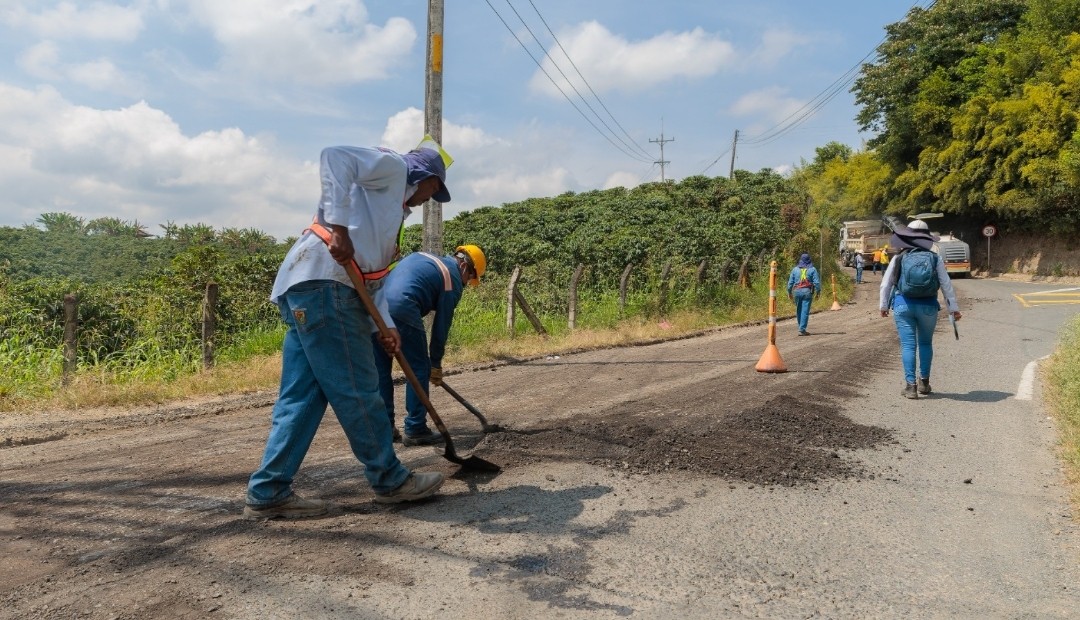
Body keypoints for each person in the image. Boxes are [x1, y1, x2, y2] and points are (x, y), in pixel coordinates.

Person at [244, 142, 453, 519]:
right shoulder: (394, 168)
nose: (430, 200)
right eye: (434, 191)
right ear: (428, 178)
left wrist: (386, 326)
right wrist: (338, 230)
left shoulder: (388, 211)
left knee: (302, 398)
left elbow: (371, 279)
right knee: (359, 389)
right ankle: (390, 480)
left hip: (308, 286)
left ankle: (269, 490)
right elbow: (333, 156)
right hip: (327, 286)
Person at [373, 245, 486, 446]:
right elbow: (441, 327)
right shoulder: (452, 279)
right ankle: (416, 428)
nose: (467, 283)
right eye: (470, 278)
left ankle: (384, 429)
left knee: (381, 369)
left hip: (375, 306)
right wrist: (434, 364)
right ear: (465, 267)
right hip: (403, 306)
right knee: (419, 368)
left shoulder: (428, 259)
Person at [879, 220, 962, 399]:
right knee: (925, 343)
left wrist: (883, 305)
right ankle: (924, 382)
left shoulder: (899, 258)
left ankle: (911, 387)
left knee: (908, 345)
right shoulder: (934, 258)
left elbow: (886, 284)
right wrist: (953, 309)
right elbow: (946, 285)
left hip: (903, 305)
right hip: (928, 306)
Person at [786, 253, 821, 336]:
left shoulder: (795, 269)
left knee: (799, 310)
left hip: (797, 291)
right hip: (807, 291)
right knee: (805, 311)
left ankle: (800, 327)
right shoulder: (812, 269)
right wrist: (818, 292)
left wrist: (789, 292)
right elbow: (816, 282)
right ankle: (802, 329)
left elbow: (790, 283)